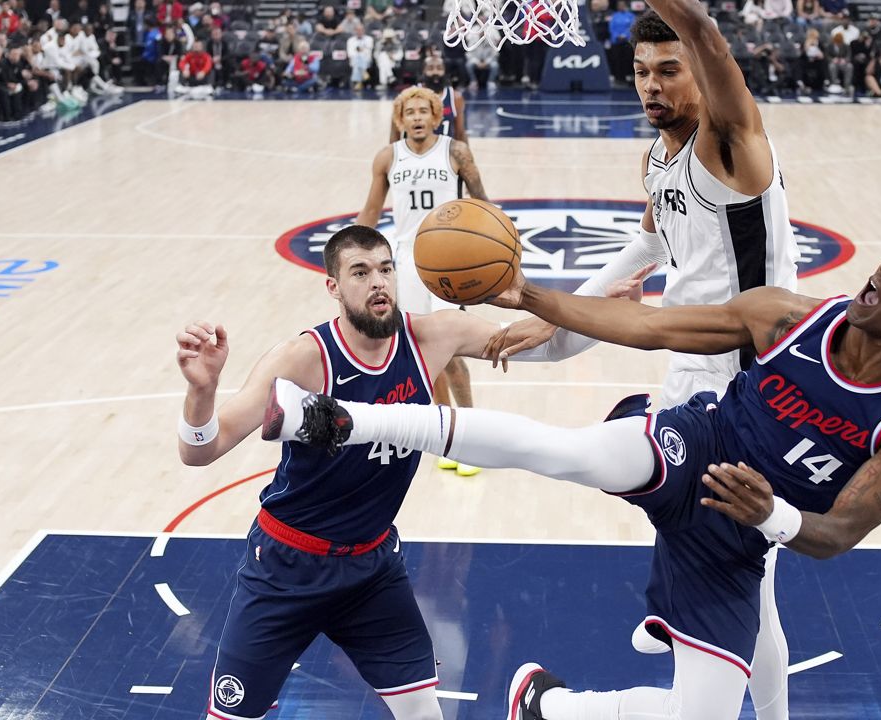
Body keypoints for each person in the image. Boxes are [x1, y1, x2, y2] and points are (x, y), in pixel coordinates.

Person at [266, 197, 881, 720]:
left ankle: (549, 705)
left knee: (700, 713)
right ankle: (342, 418)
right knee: (563, 451)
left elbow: (837, 535)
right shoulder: (789, 317)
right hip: (693, 444)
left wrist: (770, 513)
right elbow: (650, 329)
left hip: (742, 537)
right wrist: (534, 296)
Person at [177, 225, 642, 720]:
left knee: (423, 711)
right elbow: (201, 450)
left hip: (371, 569)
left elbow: (544, 344)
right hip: (286, 567)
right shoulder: (304, 359)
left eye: (385, 268)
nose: (378, 282)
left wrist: (601, 303)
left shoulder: (433, 336)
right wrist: (201, 392)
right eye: (360, 272)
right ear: (332, 286)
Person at [486, 5, 802, 715]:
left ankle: (609, 662)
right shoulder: (658, 156)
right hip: (688, 374)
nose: (652, 86)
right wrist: (563, 307)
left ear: (699, 70)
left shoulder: (733, 145)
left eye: (669, 71)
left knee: (746, 575)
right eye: (640, 73)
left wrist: (555, 308)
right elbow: (651, 245)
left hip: (750, 392)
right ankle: (680, 609)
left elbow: (713, 45)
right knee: (754, 580)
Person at [357, 86, 489, 475]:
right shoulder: (387, 157)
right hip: (405, 262)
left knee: (450, 350)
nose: (416, 118)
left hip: (448, 259)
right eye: (408, 112)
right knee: (424, 353)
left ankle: (471, 435)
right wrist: (348, 258)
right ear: (399, 120)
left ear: (436, 117)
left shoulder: (456, 152)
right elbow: (370, 211)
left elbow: (483, 204)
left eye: (423, 111)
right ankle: (446, 434)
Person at [388, 54, 468, 143]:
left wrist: (465, 153)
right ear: (423, 71)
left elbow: (460, 133)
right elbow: (395, 131)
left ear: (445, 71)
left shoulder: (455, 97)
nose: (435, 72)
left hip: (444, 152)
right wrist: (393, 154)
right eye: (430, 68)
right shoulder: (408, 96)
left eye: (439, 68)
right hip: (415, 153)